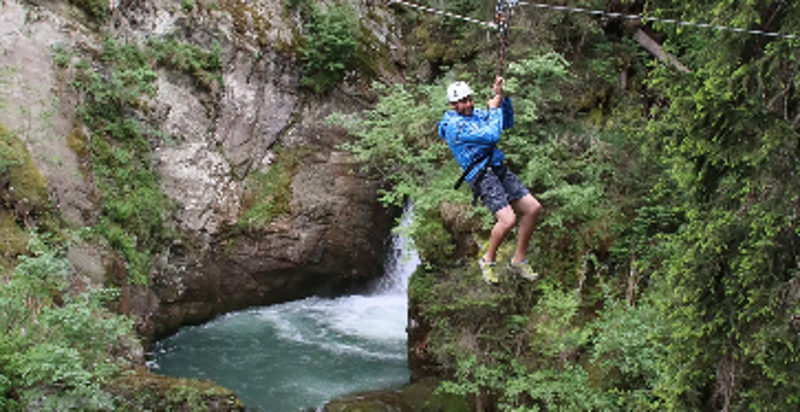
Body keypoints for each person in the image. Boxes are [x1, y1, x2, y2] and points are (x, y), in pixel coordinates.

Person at [437, 76, 542, 285]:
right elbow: (492, 136)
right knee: (508, 220)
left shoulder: (476, 114)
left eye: (470, 99)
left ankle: (519, 260)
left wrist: (501, 98)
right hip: (480, 175)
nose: (468, 104)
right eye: (463, 102)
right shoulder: (455, 126)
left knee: (533, 208)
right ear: (453, 105)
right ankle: (488, 260)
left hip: (496, 167)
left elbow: (506, 123)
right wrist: (493, 109)